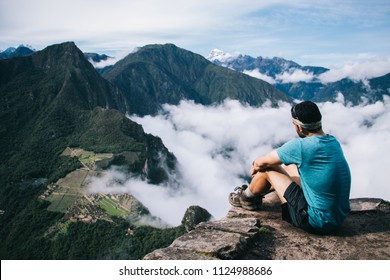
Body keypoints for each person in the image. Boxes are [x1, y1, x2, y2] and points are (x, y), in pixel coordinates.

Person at [229, 101, 351, 234]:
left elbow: (261, 163)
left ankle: (246, 198)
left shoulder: (301, 146)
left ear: (299, 127)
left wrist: (255, 166)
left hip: (314, 221)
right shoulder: (333, 141)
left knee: (268, 170)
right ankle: (257, 193)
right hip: (338, 218)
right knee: (290, 165)